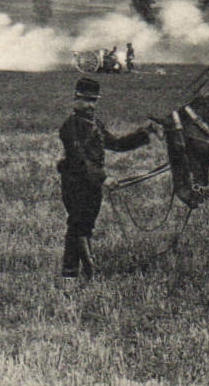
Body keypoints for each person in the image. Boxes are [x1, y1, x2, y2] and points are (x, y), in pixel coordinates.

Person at [56, 77, 149, 284]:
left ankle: (80, 272)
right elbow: (80, 159)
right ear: (75, 99)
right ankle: (75, 272)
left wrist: (144, 134)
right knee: (77, 225)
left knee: (85, 225)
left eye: (94, 101)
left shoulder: (95, 123)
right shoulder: (70, 127)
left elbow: (115, 143)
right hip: (75, 184)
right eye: (86, 100)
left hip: (91, 184)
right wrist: (104, 178)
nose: (90, 105)